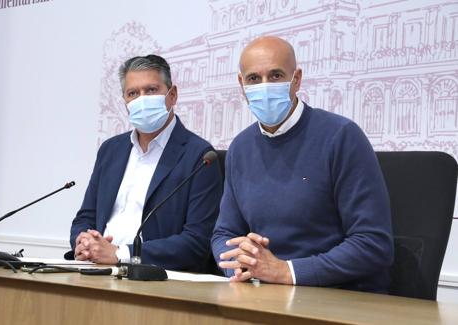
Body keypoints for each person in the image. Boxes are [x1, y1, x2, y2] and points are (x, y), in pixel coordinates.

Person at [211, 36, 394, 292]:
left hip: (337, 297)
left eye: (275, 76)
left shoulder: (341, 136)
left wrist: (287, 271)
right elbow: (224, 235)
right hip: (264, 294)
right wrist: (241, 263)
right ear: (241, 85)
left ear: (296, 79)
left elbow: (373, 244)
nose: (264, 86)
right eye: (254, 79)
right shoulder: (240, 148)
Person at [71, 54, 223, 272]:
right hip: (97, 270)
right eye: (133, 93)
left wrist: (120, 254)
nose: (141, 99)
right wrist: (84, 243)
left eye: (151, 90)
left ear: (172, 95)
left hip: (153, 280)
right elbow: (86, 217)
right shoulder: (110, 150)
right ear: (124, 101)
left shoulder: (199, 156)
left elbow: (196, 243)